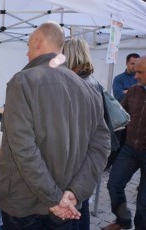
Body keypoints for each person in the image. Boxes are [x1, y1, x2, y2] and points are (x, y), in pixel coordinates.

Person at [0, 22, 110, 230]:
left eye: (28, 46)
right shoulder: (88, 89)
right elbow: (101, 147)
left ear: (38, 43)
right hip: (66, 204)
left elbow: (23, 149)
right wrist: (74, 193)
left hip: (25, 207)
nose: (27, 53)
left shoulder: (23, 82)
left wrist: (56, 199)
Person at [63, 38, 119, 230]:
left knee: (76, 205)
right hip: (90, 153)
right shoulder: (90, 80)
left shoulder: (79, 83)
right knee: (83, 203)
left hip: (82, 155)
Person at [103, 56, 146, 230]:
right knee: (114, 184)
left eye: (140, 72)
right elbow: (119, 116)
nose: (135, 76)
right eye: (135, 71)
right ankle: (123, 220)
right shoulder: (134, 91)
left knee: (144, 202)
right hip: (129, 148)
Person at [107, 53, 140, 170]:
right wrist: (133, 94)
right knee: (117, 143)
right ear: (126, 63)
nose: (134, 66)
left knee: (128, 145)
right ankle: (108, 164)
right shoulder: (119, 78)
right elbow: (119, 97)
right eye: (132, 63)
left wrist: (128, 92)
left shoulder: (140, 78)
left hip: (136, 120)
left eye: (137, 64)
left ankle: (121, 166)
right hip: (122, 118)